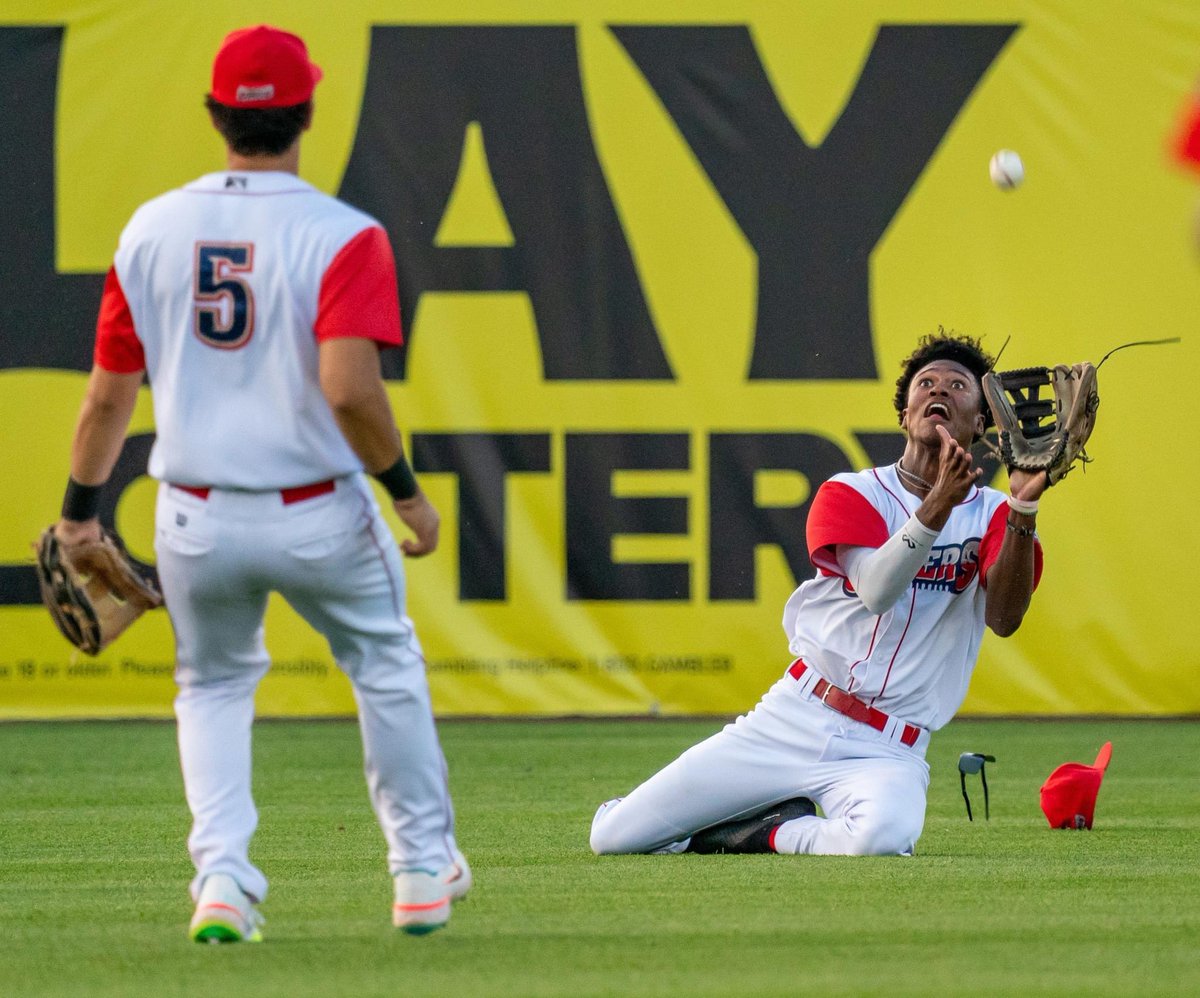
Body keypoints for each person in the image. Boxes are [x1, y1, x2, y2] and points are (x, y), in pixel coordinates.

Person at [52, 25, 469, 938]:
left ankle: (224, 884)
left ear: (214, 117)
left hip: (194, 515)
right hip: (315, 507)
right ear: (308, 113)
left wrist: (80, 513)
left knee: (211, 687)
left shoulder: (151, 229)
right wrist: (404, 490)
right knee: (386, 665)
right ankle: (419, 870)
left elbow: (105, 400)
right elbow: (350, 389)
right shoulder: (342, 233)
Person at [590, 331, 1046, 858]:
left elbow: (1005, 618)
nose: (938, 390)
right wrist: (935, 506)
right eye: (925, 383)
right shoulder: (851, 492)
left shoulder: (994, 515)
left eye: (958, 385)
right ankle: (716, 819)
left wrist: (1024, 509)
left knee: (881, 840)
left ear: (981, 423)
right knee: (613, 838)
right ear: (904, 414)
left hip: (889, 749)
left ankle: (769, 831)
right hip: (795, 717)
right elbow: (876, 590)